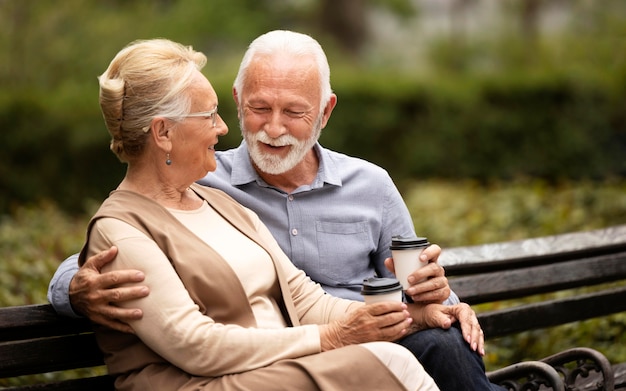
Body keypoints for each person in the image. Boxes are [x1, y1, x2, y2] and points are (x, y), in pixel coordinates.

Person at [49, 31, 503, 390]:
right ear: (237, 99)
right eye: (258, 108)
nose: (272, 128)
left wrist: (440, 303)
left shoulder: (367, 185)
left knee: (442, 342)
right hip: (280, 356)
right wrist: (74, 290)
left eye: (294, 112)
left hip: (340, 336)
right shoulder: (203, 180)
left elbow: (405, 281)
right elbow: (112, 248)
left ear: (325, 113)